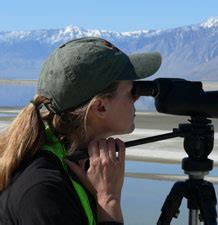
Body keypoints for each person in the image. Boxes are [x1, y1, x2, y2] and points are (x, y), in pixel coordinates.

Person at [0, 37, 162, 225]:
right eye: (131, 91)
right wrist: (108, 200)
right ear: (100, 107)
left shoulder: (67, 161)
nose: (136, 99)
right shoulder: (44, 192)